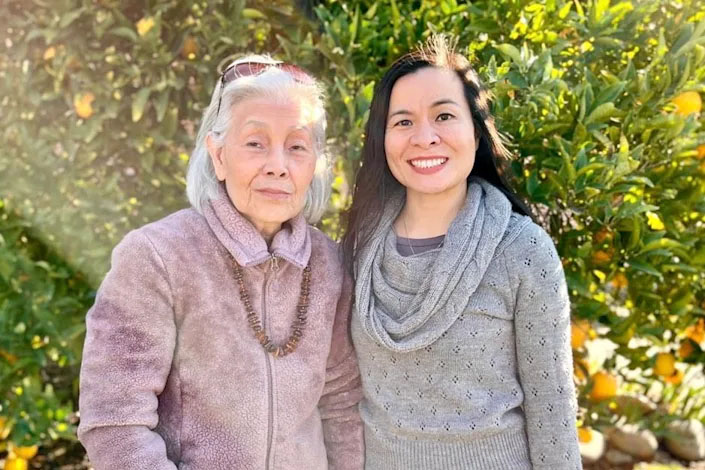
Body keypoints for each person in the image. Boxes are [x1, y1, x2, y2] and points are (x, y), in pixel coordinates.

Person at [78, 55, 364, 470]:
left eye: (297, 147)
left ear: (315, 164)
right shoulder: (156, 256)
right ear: (218, 154)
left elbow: (341, 404)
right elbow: (114, 423)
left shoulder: (329, 265)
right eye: (255, 143)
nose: (278, 166)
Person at [342, 36, 582, 470]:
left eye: (444, 115)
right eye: (403, 122)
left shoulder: (522, 250)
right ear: (382, 139)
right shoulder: (358, 246)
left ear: (476, 132)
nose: (424, 137)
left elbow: (553, 411)